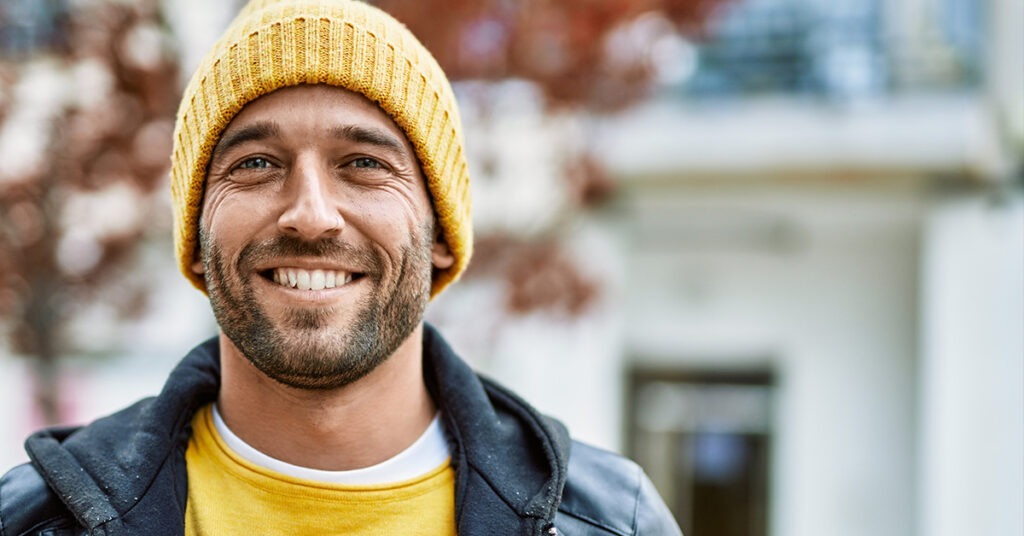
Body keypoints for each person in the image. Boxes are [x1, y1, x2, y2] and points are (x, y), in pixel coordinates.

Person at [0, 0, 682, 534]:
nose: (311, 214)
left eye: (363, 164)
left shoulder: (610, 523)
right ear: (196, 240)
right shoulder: (34, 521)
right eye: (256, 164)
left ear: (440, 232)